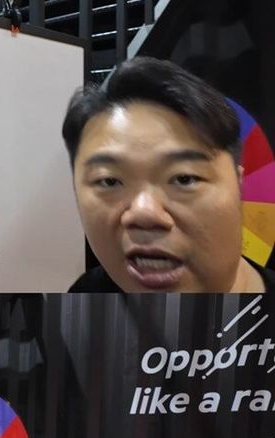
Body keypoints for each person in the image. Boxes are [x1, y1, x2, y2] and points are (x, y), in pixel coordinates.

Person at [62, 57, 275, 294]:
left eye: (184, 178)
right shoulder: (83, 296)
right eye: (109, 181)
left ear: (239, 184)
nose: (144, 214)